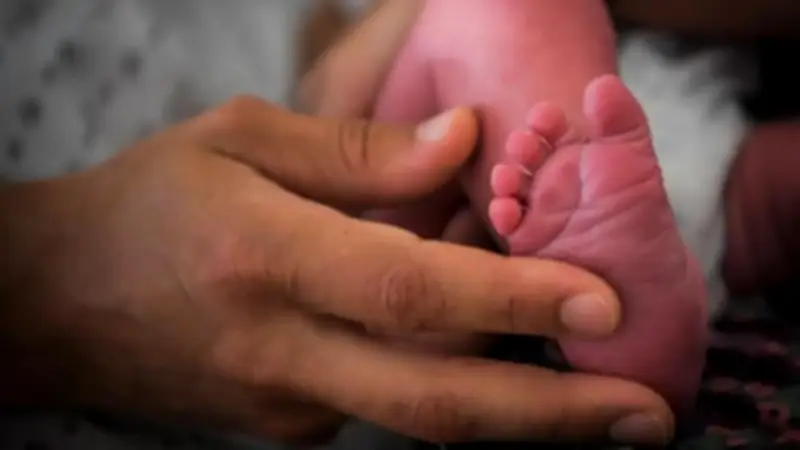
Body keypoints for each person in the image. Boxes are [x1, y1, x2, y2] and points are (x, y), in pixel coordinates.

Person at [0, 4, 675, 450]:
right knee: (494, 36)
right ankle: (658, 264)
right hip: (289, 195)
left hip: (344, 96)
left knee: (480, 54)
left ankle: (669, 232)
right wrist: (38, 287)